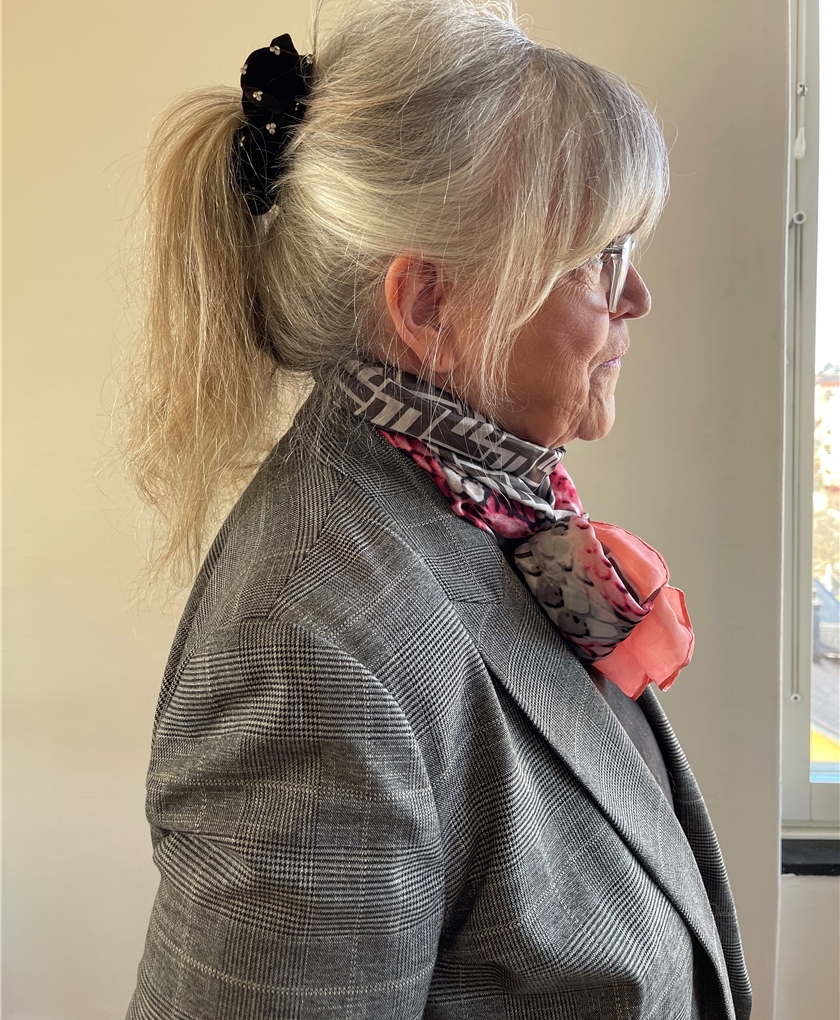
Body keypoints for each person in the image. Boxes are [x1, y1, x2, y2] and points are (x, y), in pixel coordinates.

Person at [124, 1, 752, 1016]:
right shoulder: (310, 652)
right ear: (429, 307)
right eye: (599, 256)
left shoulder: (481, 499)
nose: (636, 298)